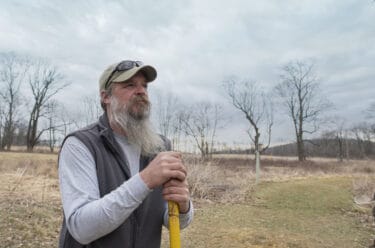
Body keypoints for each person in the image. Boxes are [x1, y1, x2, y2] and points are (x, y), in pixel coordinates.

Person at [58, 60, 193, 248]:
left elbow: (173, 219)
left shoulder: (160, 147)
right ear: (106, 97)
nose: (141, 91)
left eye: (144, 86)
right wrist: (145, 180)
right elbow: (81, 228)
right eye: (129, 85)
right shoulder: (81, 144)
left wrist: (184, 205)